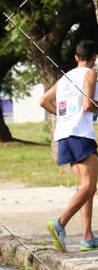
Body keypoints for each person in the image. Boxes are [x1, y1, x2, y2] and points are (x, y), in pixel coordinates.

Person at [40, 39, 98, 252]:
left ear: (76, 57)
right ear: (95, 57)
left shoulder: (66, 77)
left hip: (65, 135)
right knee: (89, 187)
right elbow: (87, 104)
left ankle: (87, 237)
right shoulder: (90, 74)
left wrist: (64, 115)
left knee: (86, 187)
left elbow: (43, 101)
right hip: (80, 134)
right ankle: (60, 223)